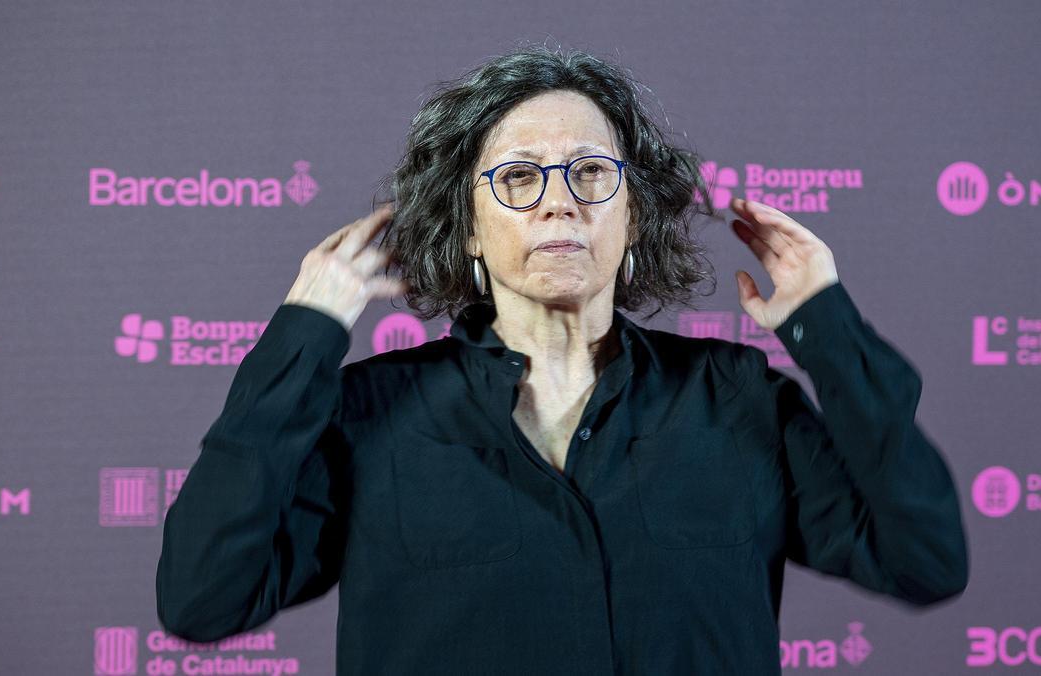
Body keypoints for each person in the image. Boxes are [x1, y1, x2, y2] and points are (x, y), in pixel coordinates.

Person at [155, 45, 968, 674]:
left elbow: (925, 560)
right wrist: (305, 333)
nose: (559, 198)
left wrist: (827, 334)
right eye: (516, 177)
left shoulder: (736, 397)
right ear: (468, 226)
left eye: (590, 173)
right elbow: (201, 597)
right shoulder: (367, 415)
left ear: (636, 215)